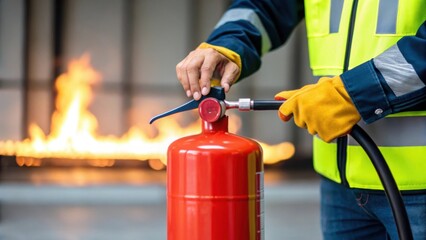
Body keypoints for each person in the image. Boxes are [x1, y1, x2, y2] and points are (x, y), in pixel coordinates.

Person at [176, 1, 426, 239]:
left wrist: (355, 92)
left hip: (420, 187)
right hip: (340, 185)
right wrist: (228, 43)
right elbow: (266, 5)